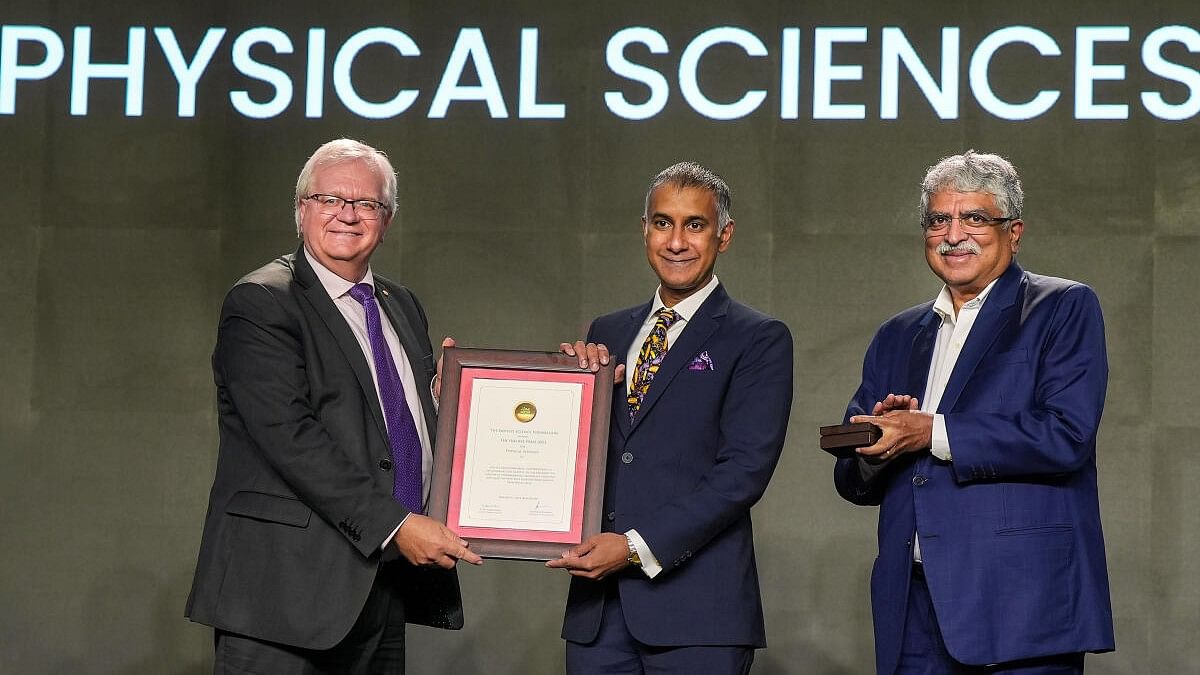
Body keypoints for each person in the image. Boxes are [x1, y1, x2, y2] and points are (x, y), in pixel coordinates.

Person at [185, 138, 481, 673]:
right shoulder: (262, 302)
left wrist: (453, 404)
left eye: (366, 204)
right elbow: (289, 437)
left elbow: (393, 425)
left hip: (379, 590)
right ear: (302, 210)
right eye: (329, 200)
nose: (347, 215)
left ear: (386, 219)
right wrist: (397, 525)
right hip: (282, 598)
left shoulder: (401, 305)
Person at [834, 150, 1115, 674]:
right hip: (912, 607)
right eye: (939, 219)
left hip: (1018, 607)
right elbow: (853, 480)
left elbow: (1065, 435)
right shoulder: (897, 335)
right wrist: (877, 440)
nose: (953, 234)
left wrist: (930, 432)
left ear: (1014, 232)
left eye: (974, 218)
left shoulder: (1063, 307)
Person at [549, 161, 794, 674]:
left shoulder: (757, 337)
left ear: (723, 236)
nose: (676, 241)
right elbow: (578, 452)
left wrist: (635, 548)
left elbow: (743, 472)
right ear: (645, 230)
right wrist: (563, 393)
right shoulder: (607, 333)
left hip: (699, 616)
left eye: (695, 225)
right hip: (598, 615)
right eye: (663, 223)